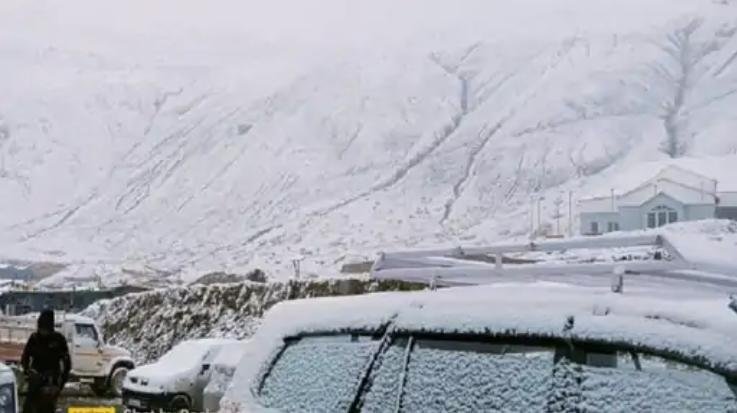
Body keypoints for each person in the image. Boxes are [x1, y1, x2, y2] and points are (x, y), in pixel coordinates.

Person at [21, 309, 71, 413]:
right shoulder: (34, 338)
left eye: (45, 329)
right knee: (29, 407)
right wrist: (27, 371)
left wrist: (61, 383)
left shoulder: (58, 339)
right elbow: (25, 356)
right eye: (41, 328)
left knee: (47, 408)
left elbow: (67, 362)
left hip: (51, 381)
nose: (43, 331)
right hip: (35, 379)